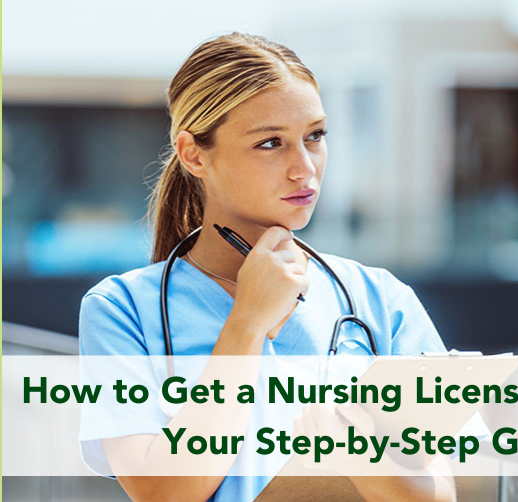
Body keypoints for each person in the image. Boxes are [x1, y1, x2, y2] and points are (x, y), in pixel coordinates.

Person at [78, 32, 482, 501]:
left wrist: (359, 455)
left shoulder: (381, 299)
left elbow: (440, 494)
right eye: (271, 143)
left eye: (314, 136)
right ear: (193, 154)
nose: (304, 167)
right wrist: (247, 322)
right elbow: (166, 491)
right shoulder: (121, 310)